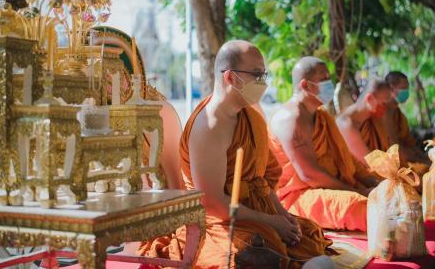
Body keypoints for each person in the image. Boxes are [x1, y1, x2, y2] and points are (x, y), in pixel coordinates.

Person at [138, 40, 332, 268]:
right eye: (256, 75)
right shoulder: (209, 126)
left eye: (263, 75)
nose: (263, 82)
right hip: (218, 221)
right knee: (252, 256)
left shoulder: (251, 115)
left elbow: (260, 181)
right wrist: (271, 221)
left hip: (256, 210)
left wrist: (282, 215)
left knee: (307, 236)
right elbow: (212, 204)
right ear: (229, 77)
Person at [270, 57, 378, 232]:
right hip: (297, 196)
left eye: (329, 78)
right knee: (362, 206)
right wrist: (356, 191)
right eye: (324, 79)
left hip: (332, 186)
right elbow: (309, 175)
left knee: (385, 193)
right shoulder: (290, 119)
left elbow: (344, 155)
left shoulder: (321, 116)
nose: (330, 84)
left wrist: (369, 179)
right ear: (305, 85)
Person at [336, 79, 392, 164]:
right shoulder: (345, 123)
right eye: (384, 103)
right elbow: (370, 163)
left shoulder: (371, 119)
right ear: (369, 99)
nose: (386, 108)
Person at [384, 71, 429, 168]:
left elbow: (409, 143)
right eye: (403, 88)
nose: (406, 92)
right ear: (391, 88)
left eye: (407, 89)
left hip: (406, 158)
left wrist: (424, 157)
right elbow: (394, 148)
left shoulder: (399, 115)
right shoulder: (382, 114)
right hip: (388, 165)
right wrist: (421, 160)